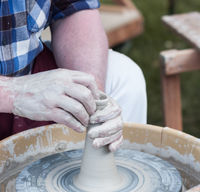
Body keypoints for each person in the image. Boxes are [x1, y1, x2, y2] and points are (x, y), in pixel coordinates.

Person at [0, 0, 147, 152]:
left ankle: (101, 162)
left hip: (28, 68)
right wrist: (13, 93)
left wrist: (91, 95)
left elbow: (73, 8)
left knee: (123, 76)